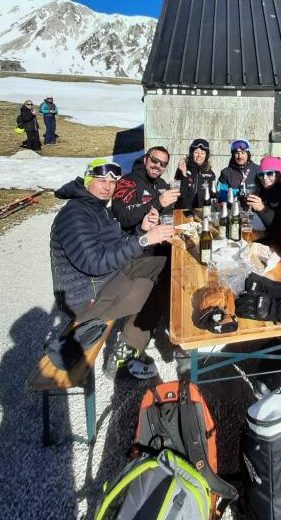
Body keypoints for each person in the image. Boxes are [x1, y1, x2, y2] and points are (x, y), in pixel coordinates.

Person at [50, 158, 174, 378]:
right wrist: (145, 241)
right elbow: (94, 263)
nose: (108, 186)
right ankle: (125, 350)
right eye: (101, 179)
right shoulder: (75, 214)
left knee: (167, 266)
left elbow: (118, 244)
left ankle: (164, 321)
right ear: (88, 180)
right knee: (148, 287)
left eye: (112, 182)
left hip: (107, 279)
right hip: (85, 299)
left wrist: (142, 229)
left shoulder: (97, 208)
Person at [111, 146, 180, 230]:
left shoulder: (161, 183)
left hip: (162, 235)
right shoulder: (127, 181)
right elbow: (122, 217)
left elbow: (167, 213)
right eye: (154, 160)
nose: (158, 166)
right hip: (136, 238)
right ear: (145, 160)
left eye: (163, 164)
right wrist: (158, 202)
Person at [246, 156, 281, 245]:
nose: (264, 178)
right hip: (264, 235)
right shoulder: (264, 189)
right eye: (261, 174)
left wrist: (262, 209)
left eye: (269, 173)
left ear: (278, 175)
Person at [174, 138, 216, 210]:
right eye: (196, 152)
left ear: (206, 156)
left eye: (202, 153)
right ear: (191, 153)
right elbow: (179, 194)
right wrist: (184, 174)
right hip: (183, 211)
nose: (199, 155)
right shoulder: (183, 168)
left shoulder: (210, 174)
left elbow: (213, 196)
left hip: (202, 212)